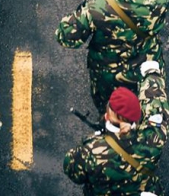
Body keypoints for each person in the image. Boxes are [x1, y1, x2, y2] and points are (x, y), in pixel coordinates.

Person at [57, 0, 169, 111]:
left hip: (108, 78)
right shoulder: (158, 1)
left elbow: (65, 36)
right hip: (145, 71)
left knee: (111, 113)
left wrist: (92, 2)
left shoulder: (98, 7)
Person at [64, 61, 168, 194]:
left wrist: (93, 139)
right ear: (137, 116)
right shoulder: (154, 135)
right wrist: (152, 74)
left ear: (107, 116)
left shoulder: (90, 151)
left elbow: (72, 171)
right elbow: (156, 103)